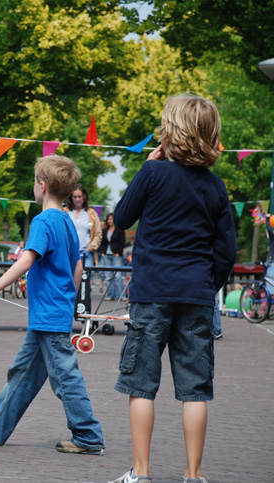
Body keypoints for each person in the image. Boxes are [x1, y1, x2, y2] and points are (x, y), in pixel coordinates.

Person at [108, 94, 236, 483]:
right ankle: (193, 475)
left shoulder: (153, 174)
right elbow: (226, 251)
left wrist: (147, 166)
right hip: (196, 294)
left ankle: (141, 473)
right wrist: (205, 284)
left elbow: (123, 217)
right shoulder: (216, 187)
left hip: (151, 292)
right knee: (195, 389)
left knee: (141, 384)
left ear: (170, 132)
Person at [0, 155, 105, 455]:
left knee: (65, 376)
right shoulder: (67, 220)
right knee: (23, 372)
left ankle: (89, 435)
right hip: (53, 311)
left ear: (42, 186)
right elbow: (77, 266)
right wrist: (69, 296)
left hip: (48, 313)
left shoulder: (43, 221)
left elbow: (26, 260)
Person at [64, 184, 101, 266]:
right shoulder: (65, 212)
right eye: (75, 197)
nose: (77, 199)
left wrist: (90, 248)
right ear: (71, 197)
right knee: (70, 278)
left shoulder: (91, 213)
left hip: (86, 254)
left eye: (79, 196)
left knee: (85, 278)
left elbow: (98, 234)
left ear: (84, 197)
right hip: (68, 253)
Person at [100, 213, 126, 301]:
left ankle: (121, 295)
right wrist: (103, 252)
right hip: (107, 255)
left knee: (118, 275)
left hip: (116, 255)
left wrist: (118, 252)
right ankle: (111, 295)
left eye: (111, 219)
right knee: (108, 276)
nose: (109, 221)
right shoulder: (105, 230)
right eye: (108, 219)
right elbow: (103, 242)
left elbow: (122, 242)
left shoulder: (119, 230)